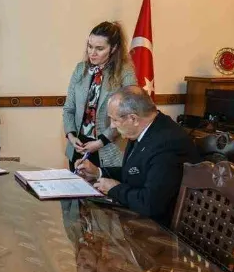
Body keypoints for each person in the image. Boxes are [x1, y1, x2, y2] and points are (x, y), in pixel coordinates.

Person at [76, 86, 199, 224]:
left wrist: (114, 189)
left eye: (114, 120)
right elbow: (135, 172)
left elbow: (150, 204)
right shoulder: (143, 128)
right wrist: (98, 172)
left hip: (160, 228)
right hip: (139, 218)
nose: (112, 126)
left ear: (133, 118)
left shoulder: (168, 143)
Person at [62, 21, 137, 171]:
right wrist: (71, 136)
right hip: (78, 146)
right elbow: (69, 108)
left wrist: (100, 142)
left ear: (113, 48)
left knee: (103, 185)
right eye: (90, 46)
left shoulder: (125, 72)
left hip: (108, 149)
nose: (92, 53)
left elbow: (127, 115)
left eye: (99, 48)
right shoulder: (80, 69)